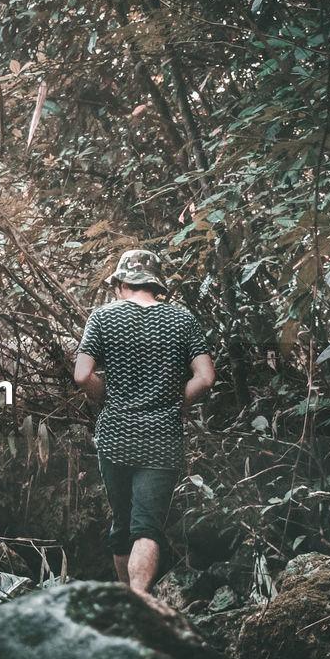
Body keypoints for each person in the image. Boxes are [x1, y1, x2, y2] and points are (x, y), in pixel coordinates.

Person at [74, 249, 214, 594]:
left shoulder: (103, 318)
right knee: (146, 527)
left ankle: (128, 607)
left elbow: (81, 375)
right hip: (161, 435)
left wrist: (106, 396)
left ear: (121, 283)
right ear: (155, 284)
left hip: (115, 434)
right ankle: (139, 603)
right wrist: (174, 401)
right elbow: (206, 377)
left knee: (122, 524)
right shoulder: (182, 320)